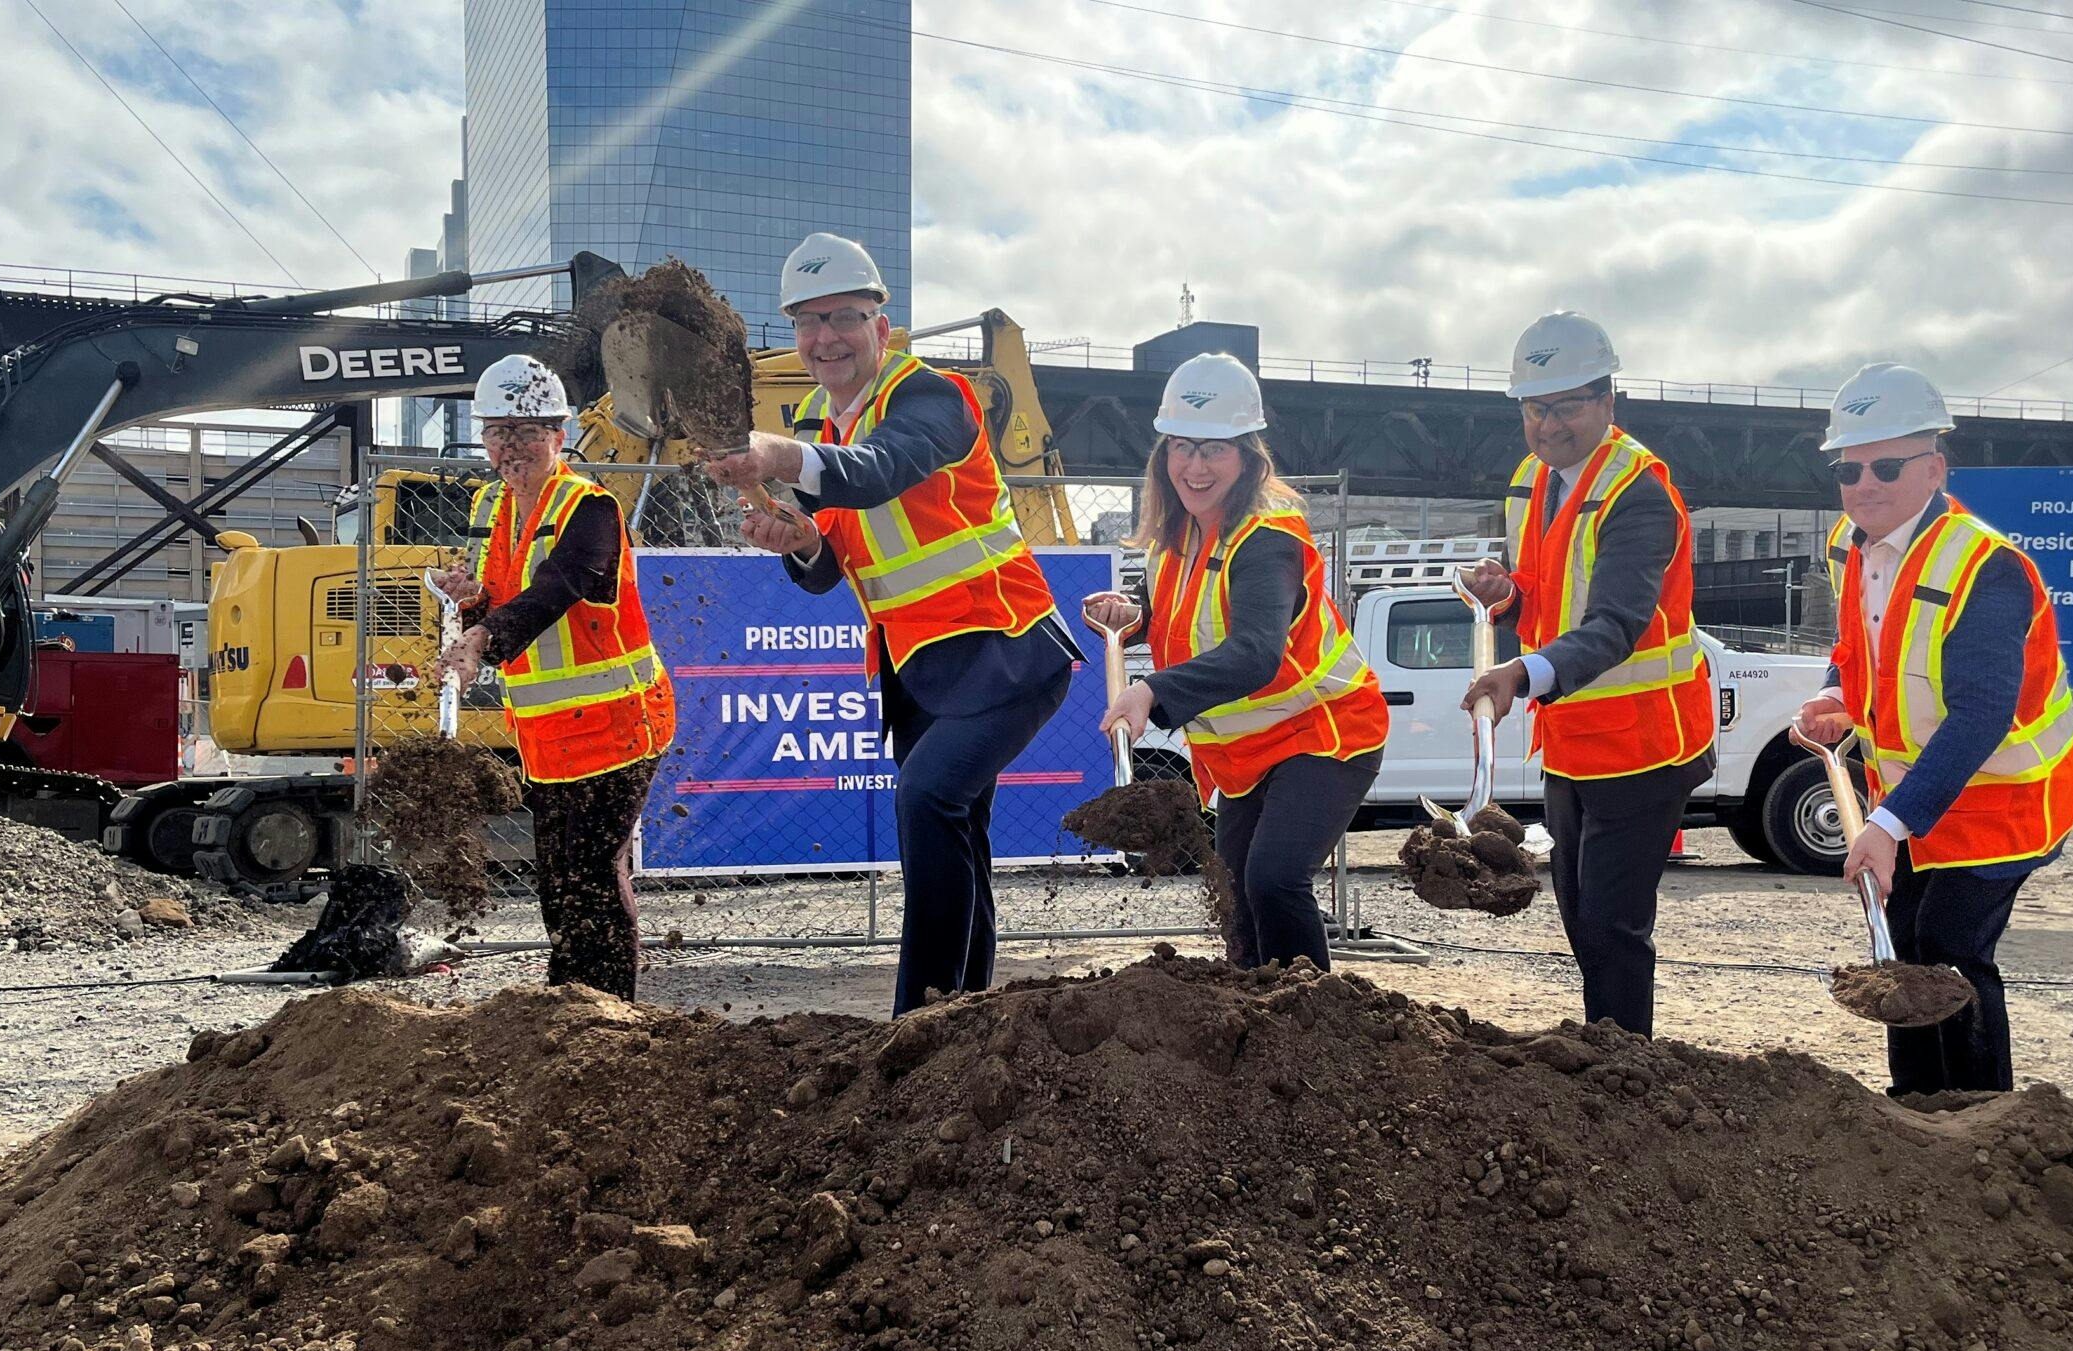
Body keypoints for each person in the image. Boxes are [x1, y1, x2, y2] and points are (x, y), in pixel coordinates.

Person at [708, 233, 1078, 1017]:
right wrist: (801, 543)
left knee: (927, 800)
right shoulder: (825, 427)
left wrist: (777, 454)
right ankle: (964, 1016)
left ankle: (922, 1018)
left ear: (883, 325)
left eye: (843, 315)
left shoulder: (932, 397)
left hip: (1005, 649)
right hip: (923, 673)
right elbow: (826, 569)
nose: (824, 338)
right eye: (807, 322)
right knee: (958, 831)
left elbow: (876, 476)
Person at [1794, 362, 2073, 1094]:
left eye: (1885, 465)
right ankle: (1916, 1111)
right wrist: (1836, 695)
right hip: (1919, 795)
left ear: (1933, 470)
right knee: (1906, 948)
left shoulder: (1986, 568)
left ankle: (1983, 1121)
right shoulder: (1850, 547)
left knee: (1951, 951)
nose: (1863, 483)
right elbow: (1856, 652)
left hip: (2002, 799)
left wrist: (1886, 826)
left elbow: (1983, 714)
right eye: (1848, 468)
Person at [1083, 353, 1387, 969]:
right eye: (1182, 448)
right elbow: (1186, 618)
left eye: (1214, 449)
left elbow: (1256, 651)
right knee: (1241, 897)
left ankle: (1315, 1018)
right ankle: (1255, 1013)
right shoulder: (1176, 539)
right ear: (1163, 455)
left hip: (1323, 734)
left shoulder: (1265, 537)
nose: (1195, 467)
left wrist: (1150, 693)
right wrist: (1132, 618)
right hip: (1248, 753)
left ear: (1247, 456)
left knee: (1273, 880)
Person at [1459, 311, 1714, 1037]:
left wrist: (1521, 674)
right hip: (1574, 738)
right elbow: (1546, 597)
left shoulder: (1638, 492)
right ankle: (1610, 1055)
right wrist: (1504, 594)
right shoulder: (1533, 482)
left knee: (1611, 924)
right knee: (1580, 916)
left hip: (1645, 744)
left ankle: (1625, 1064)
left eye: (1568, 404)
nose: (1551, 423)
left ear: (1608, 400)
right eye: (1537, 407)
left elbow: (1615, 625)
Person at [430, 354, 676, 1001]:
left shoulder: (588, 509)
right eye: (499, 432)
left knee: (591, 873)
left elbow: (556, 590)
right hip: (554, 738)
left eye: (527, 431)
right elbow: (509, 598)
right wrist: (473, 601)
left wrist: (482, 636)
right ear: (485, 440)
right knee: (559, 878)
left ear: (559, 435)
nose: (512, 446)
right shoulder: (496, 507)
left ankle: (607, 1015)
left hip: (620, 726)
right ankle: (571, 1007)